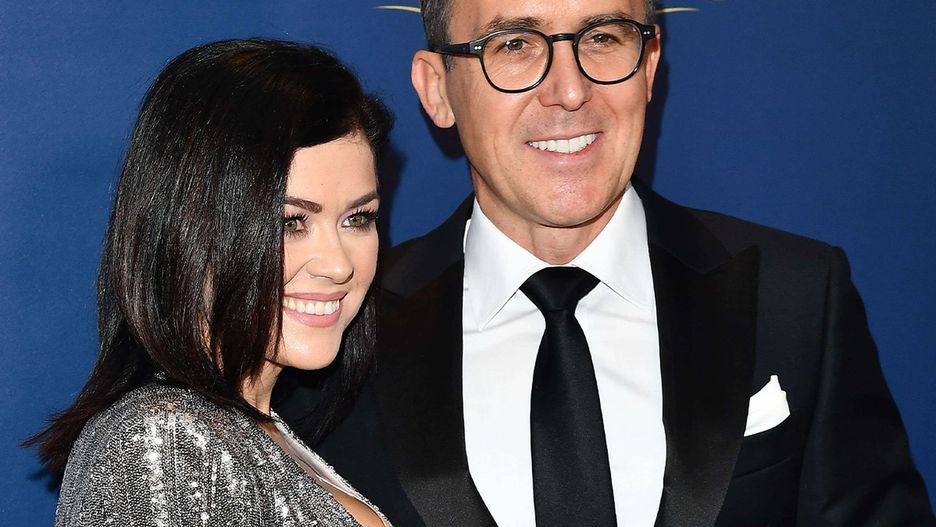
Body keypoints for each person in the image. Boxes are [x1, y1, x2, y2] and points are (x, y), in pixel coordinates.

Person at [276, 0, 936, 525]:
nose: (570, 92)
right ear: (438, 89)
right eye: (514, 45)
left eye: (602, 38)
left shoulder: (797, 297)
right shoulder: (336, 332)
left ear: (650, 64)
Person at [26, 38, 393, 527]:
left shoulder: (254, 433)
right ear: (192, 229)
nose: (338, 265)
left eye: (357, 219)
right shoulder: (162, 444)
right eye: (290, 223)